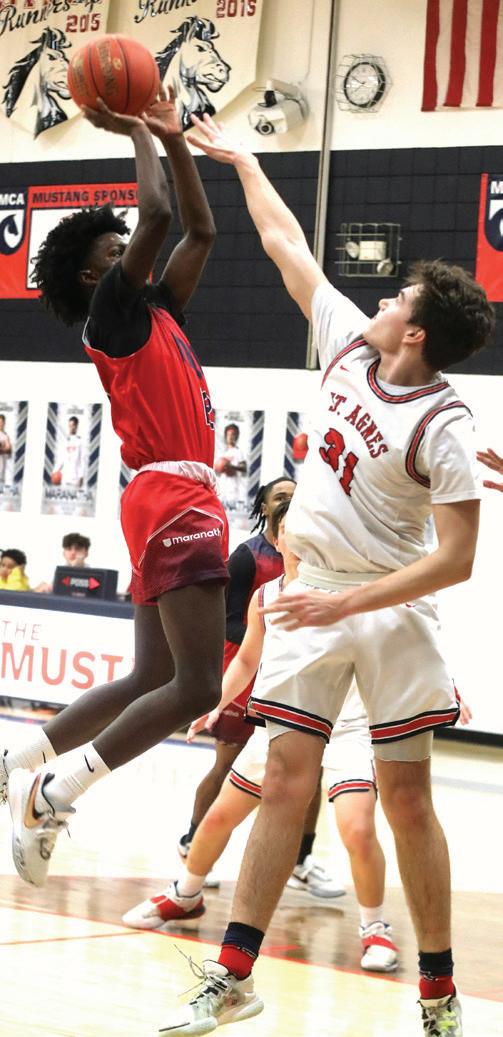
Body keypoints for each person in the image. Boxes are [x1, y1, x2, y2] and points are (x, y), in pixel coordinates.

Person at [157, 115, 495, 1036]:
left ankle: (436, 991)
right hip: (316, 599)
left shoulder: (446, 425)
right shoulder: (351, 343)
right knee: (284, 776)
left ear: (413, 332)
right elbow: (286, 246)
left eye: (397, 295)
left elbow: (456, 560)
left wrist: (347, 599)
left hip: (387, 607)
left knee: (407, 799)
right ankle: (233, 974)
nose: (379, 296)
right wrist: (245, 161)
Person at [1, 87, 229, 892]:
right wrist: (137, 128)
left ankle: (18, 761)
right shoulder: (112, 312)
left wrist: (175, 138)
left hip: (166, 496)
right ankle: (55, 792)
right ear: (94, 271)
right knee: (198, 685)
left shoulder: (156, 310)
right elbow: (159, 215)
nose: (128, 243)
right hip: (173, 496)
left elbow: (200, 229)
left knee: (149, 677)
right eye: (114, 243)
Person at [123, 499, 394, 972]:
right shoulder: (266, 595)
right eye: (292, 528)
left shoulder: (351, 589)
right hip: (282, 723)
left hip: (347, 727)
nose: (302, 536)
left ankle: (375, 927)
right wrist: (216, 704)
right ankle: (186, 895)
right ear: (278, 537)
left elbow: (393, 645)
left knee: (357, 828)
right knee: (216, 819)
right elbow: (248, 659)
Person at [178, 476, 340, 898]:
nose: (289, 501)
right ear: (265, 508)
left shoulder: (323, 564)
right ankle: (193, 843)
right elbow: (227, 620)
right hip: (246, 664)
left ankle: (301, 860)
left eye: (295, 496)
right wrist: (268, 639)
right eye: (280, 497)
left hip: (295, 680)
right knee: (228, 765)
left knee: (310, 771)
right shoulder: (247, 557)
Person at [215, 422, 248, 507]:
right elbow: (217, 470)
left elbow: (244, 468)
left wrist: (231, 467)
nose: (230, 437)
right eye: (228, 434)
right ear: (225, 436)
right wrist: (218, 468)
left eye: (232, 434)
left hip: (233, 489)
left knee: (231, 511)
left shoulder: (238, 452)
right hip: (222, 488)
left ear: (236, 436)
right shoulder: (222, 452)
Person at [53, 415, 85, 489]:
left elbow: (82, 460)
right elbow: (61, 459)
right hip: (65, 478)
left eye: (72, 425)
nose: (70, 428)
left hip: (75, 479)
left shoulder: (80, 442)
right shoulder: (65, 442)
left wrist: (81, 476)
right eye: (69, 425)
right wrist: (55, 472)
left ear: (76, 426)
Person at [0, 413, 12, 484]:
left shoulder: (6, 436)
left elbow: (9, 450)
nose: (0, 424)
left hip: (1, 473)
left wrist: (2, 448)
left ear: (4, 423)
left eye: (1, 422)